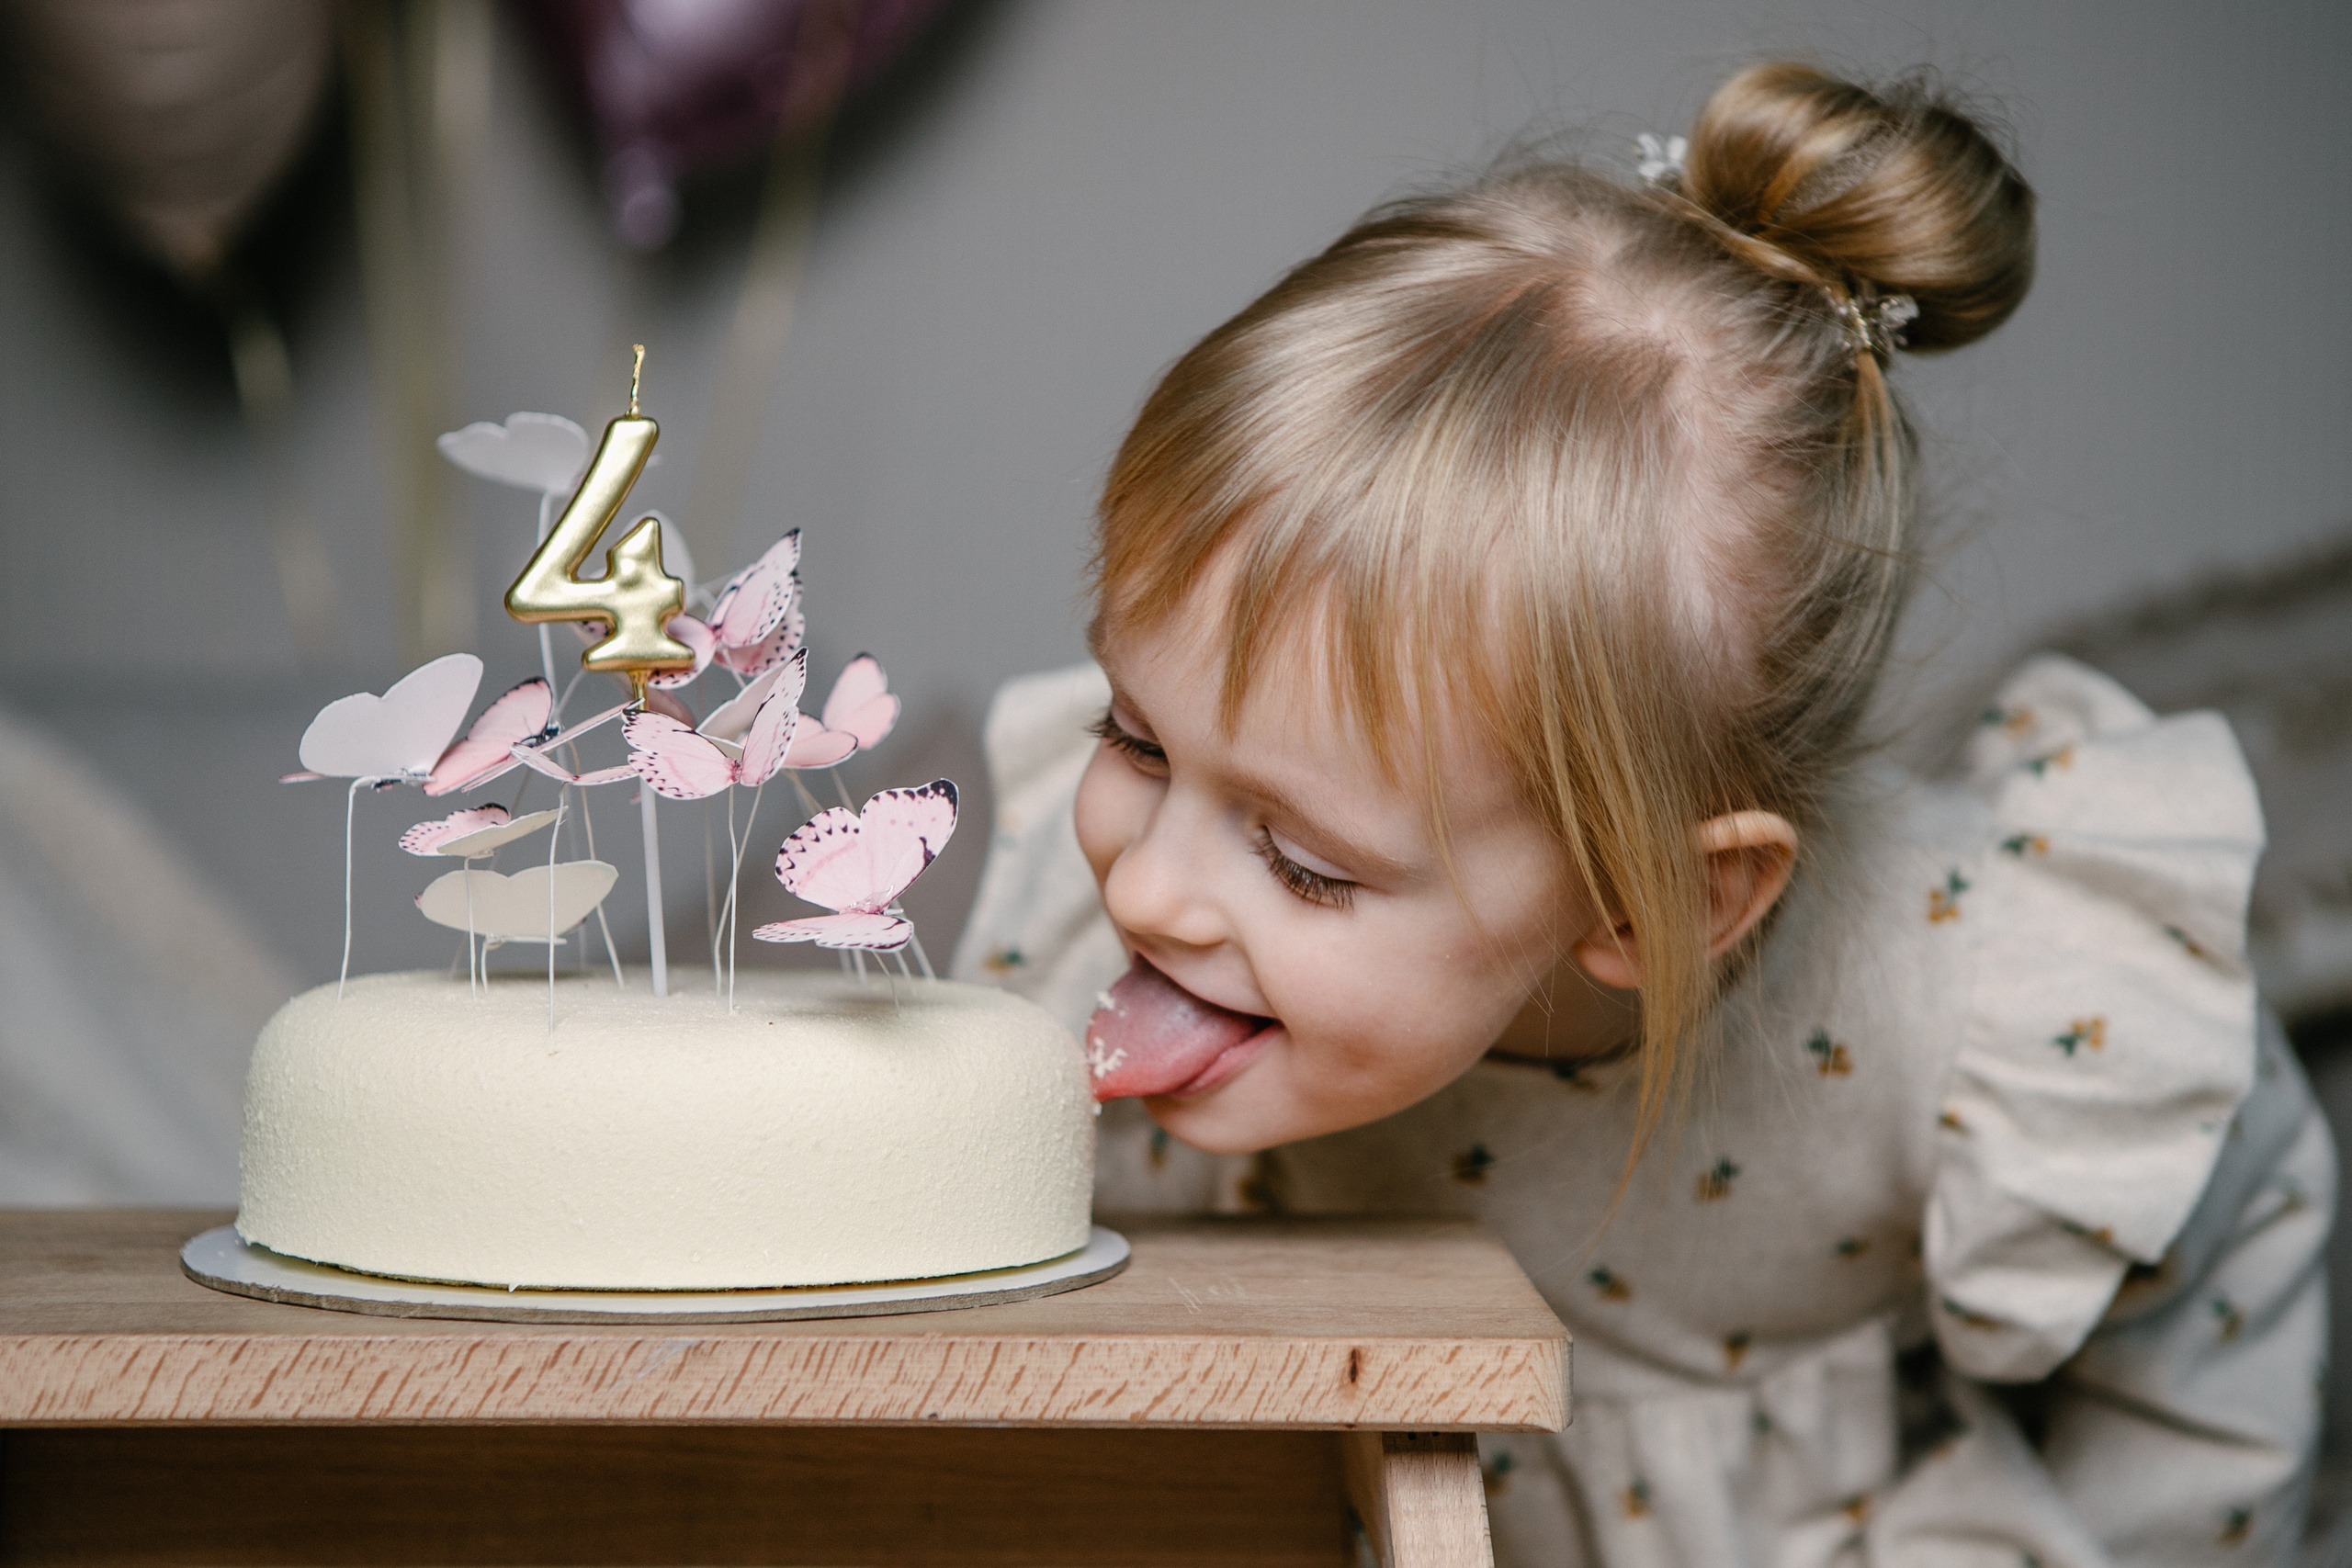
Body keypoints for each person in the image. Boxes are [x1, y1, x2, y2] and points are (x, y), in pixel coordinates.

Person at [949, 62, 2333, 1566]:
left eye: (1300, 861)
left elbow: (2225, 1247)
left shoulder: (1973, 999)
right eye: (1135, 741)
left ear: (1651, 903)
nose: (1149, 891)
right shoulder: (1095, 944)